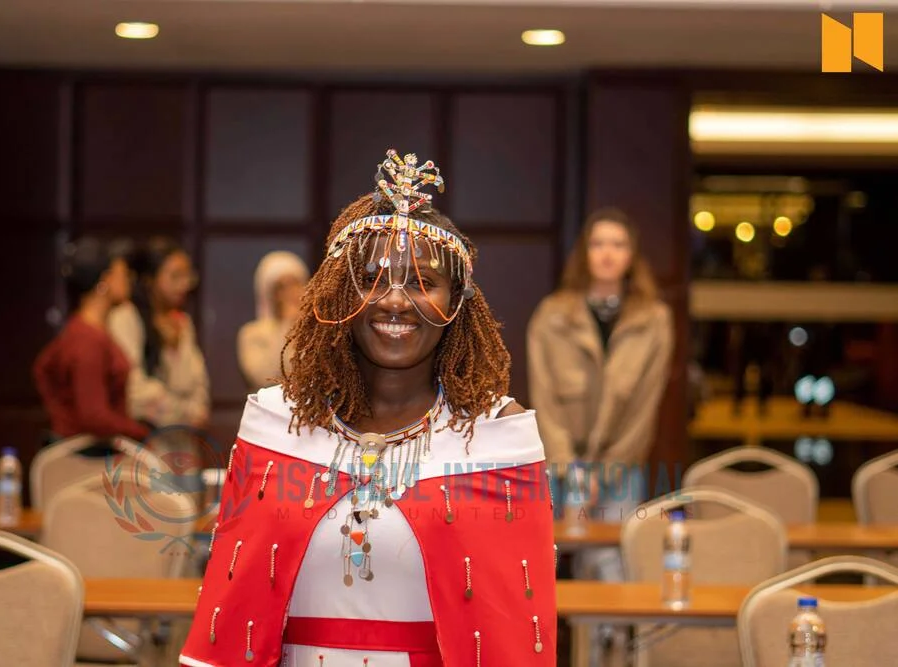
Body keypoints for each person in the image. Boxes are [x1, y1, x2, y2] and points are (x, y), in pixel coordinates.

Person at [179, 149, 557, 666]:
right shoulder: (275, 423)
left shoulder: (496, 435)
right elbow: (233, 607)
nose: (396, 300)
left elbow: (511, 627)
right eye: (373, 277)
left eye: (423, 281)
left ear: (456, 301)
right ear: (342, 293)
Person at [528, 207, 673, 581]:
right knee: (541, 568)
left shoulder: (653, 320)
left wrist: (606, 469)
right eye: (598, 244)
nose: (607, 253)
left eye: (618, 244)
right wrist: (571, 468)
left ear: (632, 255)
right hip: (560, 463)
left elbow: (644, 408)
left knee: (612, 568)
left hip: (621, 465)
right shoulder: (551, 315)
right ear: (584, 253)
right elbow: (544, 400)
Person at [33, 237, 150, 442]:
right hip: (91, 454)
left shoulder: (83, 332)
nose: (129, 280)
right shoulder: (87, 339)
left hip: (96, 448)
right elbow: (94, 416)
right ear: (104, 281)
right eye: (122, 273)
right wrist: (142, 433)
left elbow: (42, 368)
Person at [107, 237, 210, 429]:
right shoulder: (126, 317)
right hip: (144, 434)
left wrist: (175, 348)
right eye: (175, 276)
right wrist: (184, 413)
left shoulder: (183, 323)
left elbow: (197, 382)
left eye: (187, 276)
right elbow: (134, 390)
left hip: (183, 434)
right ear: (150, 279)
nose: (184, 285)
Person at [236, 250, 309, 392]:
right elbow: (263, 377)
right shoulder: (252, 333)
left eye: (295, 284)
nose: (291, 292)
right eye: (282, 287)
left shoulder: (316, 331)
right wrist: (286, 326)